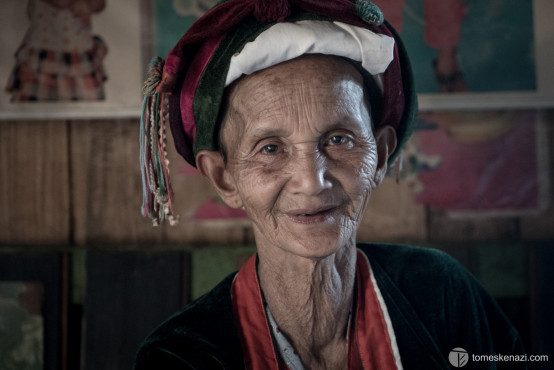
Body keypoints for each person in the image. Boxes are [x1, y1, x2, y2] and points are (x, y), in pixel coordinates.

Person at [135, 0, 525, 368]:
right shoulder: (182, 355)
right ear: (224, 177)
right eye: (270, 148)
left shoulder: (441, 293)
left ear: (381, 155)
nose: (312, 181)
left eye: (339, 139)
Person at [5, 0, 108, 102]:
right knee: (34, 105)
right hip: (43, 53)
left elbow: (100, 4)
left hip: (79, 53)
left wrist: (89, 5)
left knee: (87, 104)